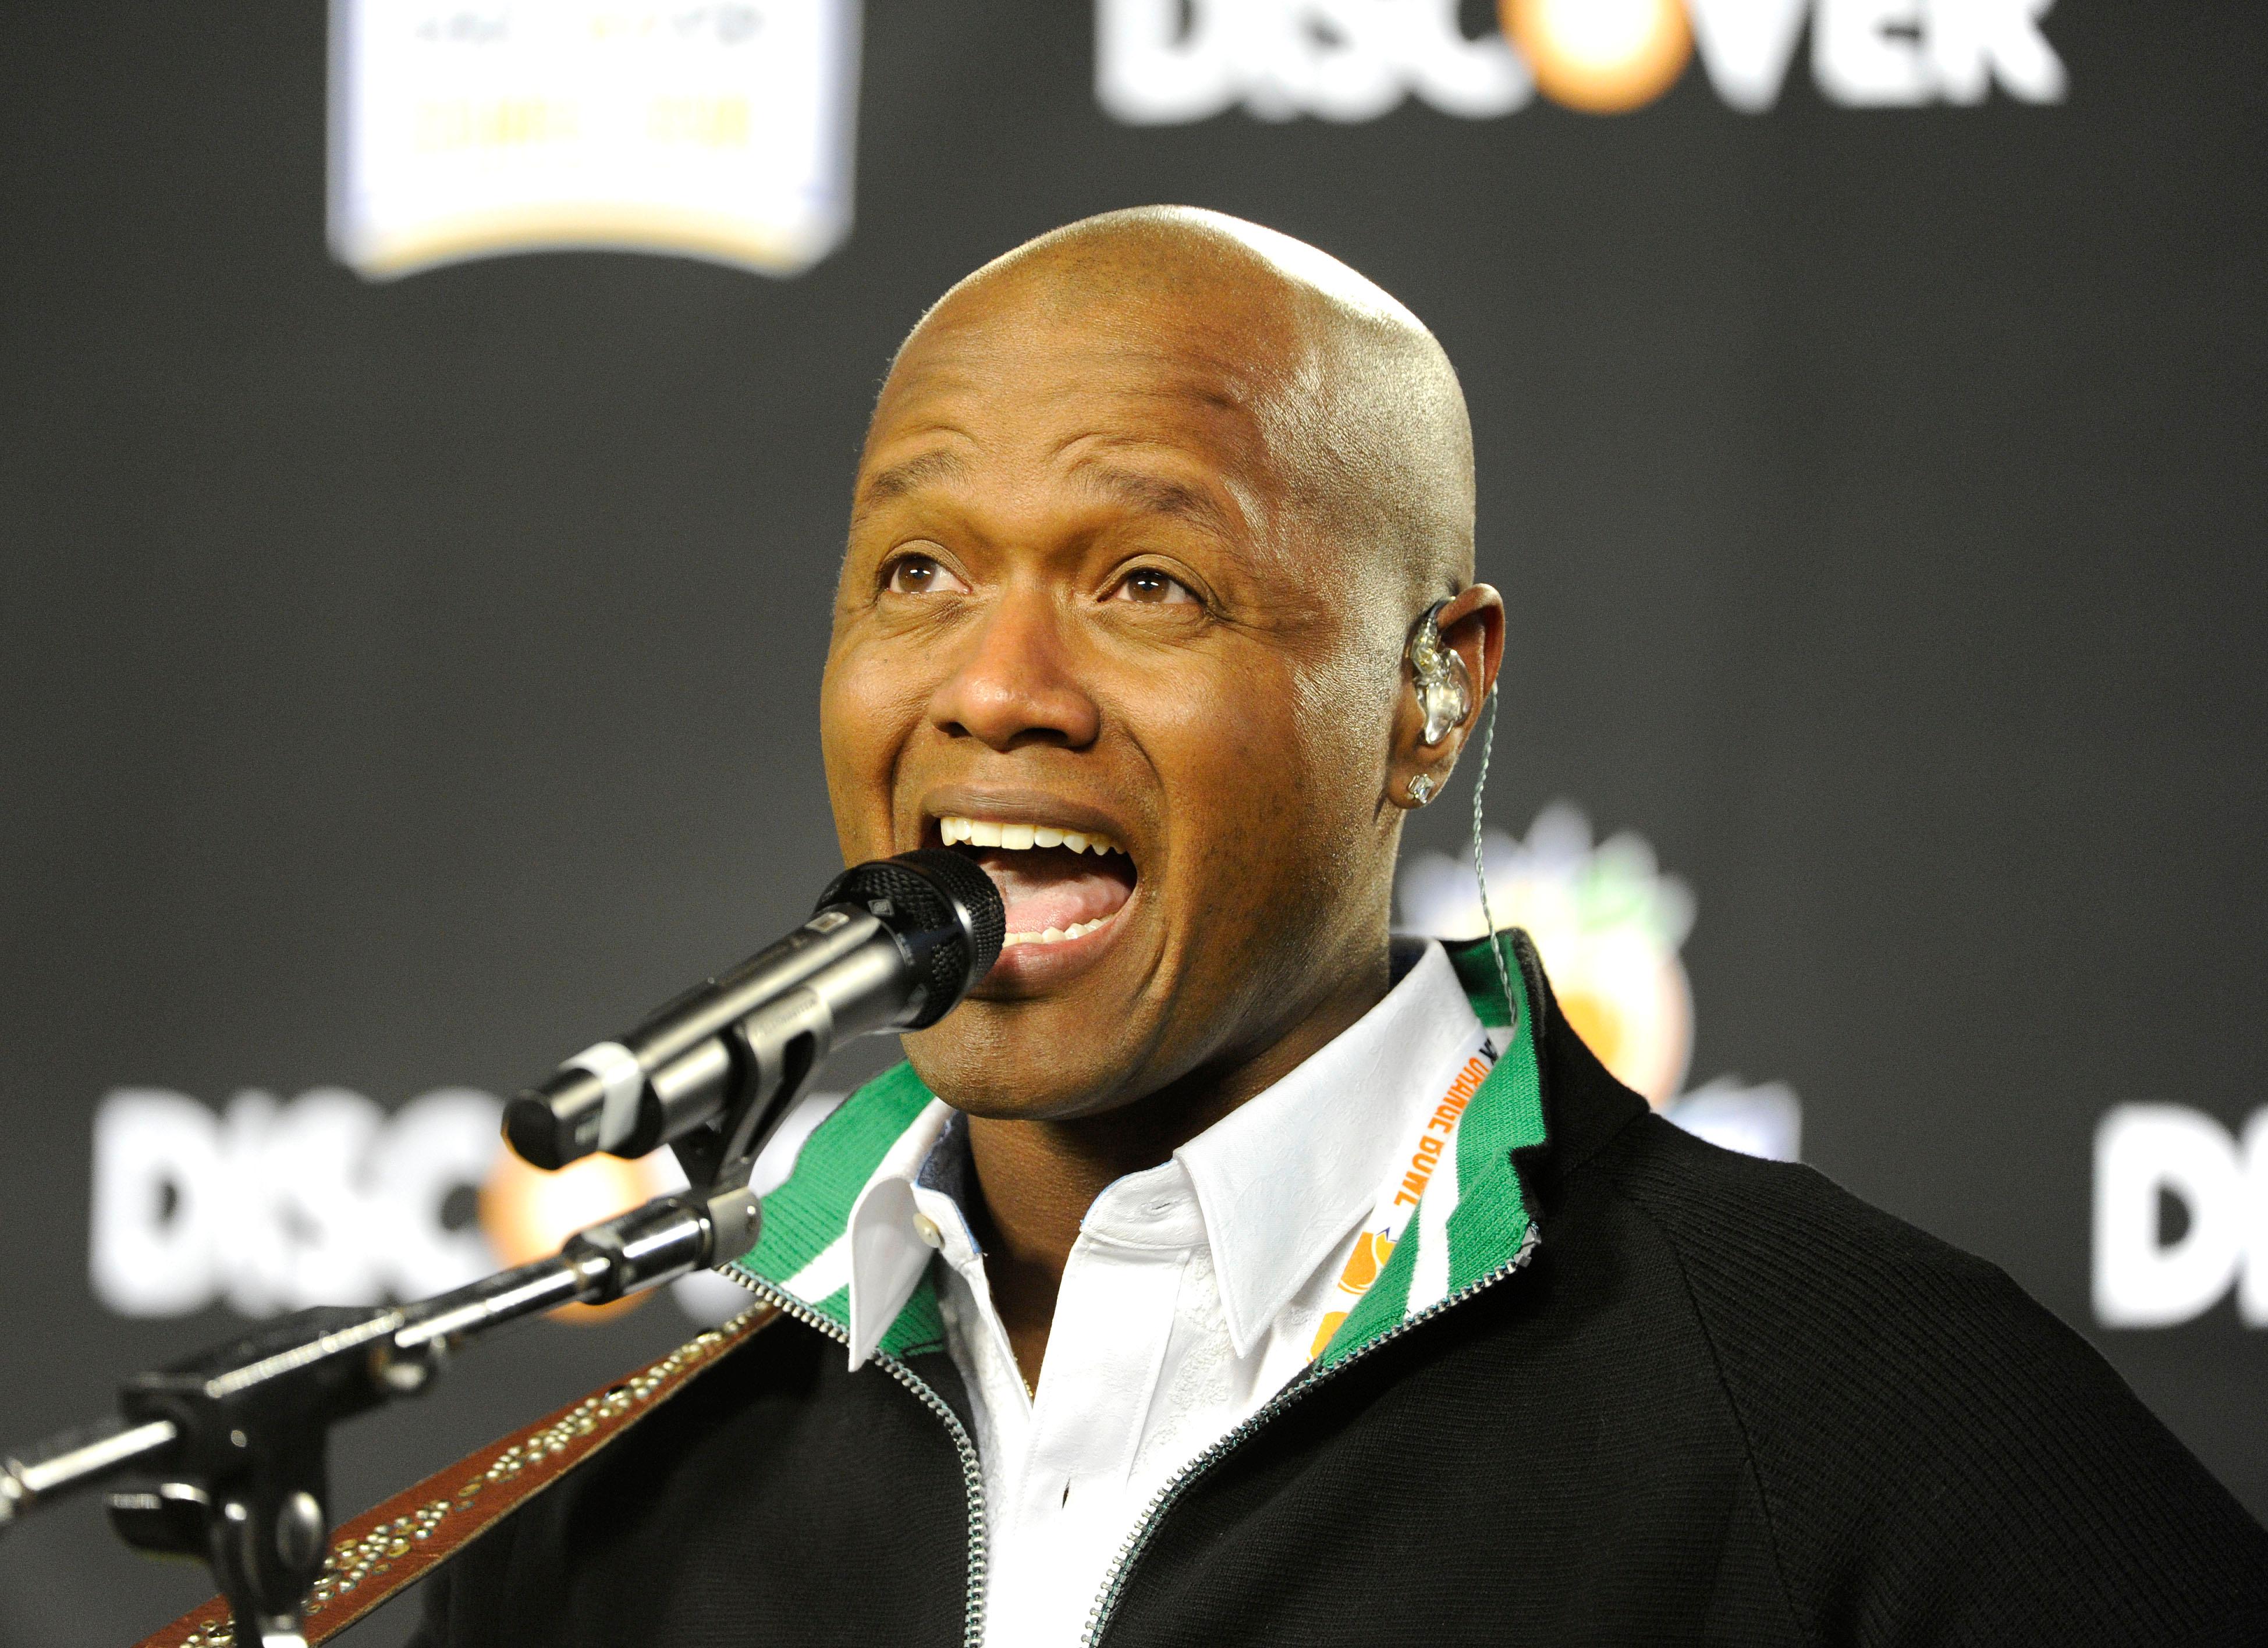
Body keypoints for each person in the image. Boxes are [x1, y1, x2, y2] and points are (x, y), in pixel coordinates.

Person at [410, 208, 2268, 1646]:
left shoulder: (1862, 1414)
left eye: (1147, 580)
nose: (994, 683)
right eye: (918, 571)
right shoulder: (610, 1516)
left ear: (1427, 690)